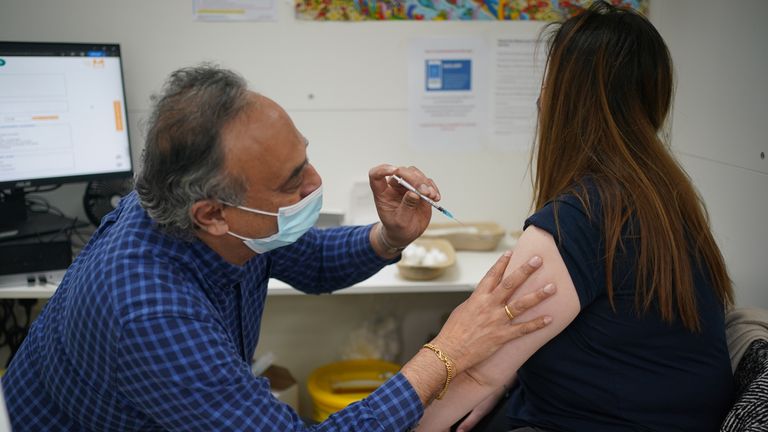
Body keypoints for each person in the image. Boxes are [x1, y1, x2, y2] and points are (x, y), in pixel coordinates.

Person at [1, 65, 557, 431]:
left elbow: (309, 259)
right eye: (293, 180)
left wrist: (388, 237)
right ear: (213, 214)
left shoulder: (215, 223)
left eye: (305, 157)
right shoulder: (151, 313)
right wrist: (450, 349)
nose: (316, 183)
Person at [415, 2, 736, 431]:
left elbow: (476, 371)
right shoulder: (668, 199)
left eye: (548, 80)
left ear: (564, 97)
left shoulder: (577, 220)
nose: (539, 95)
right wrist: (504, 375)